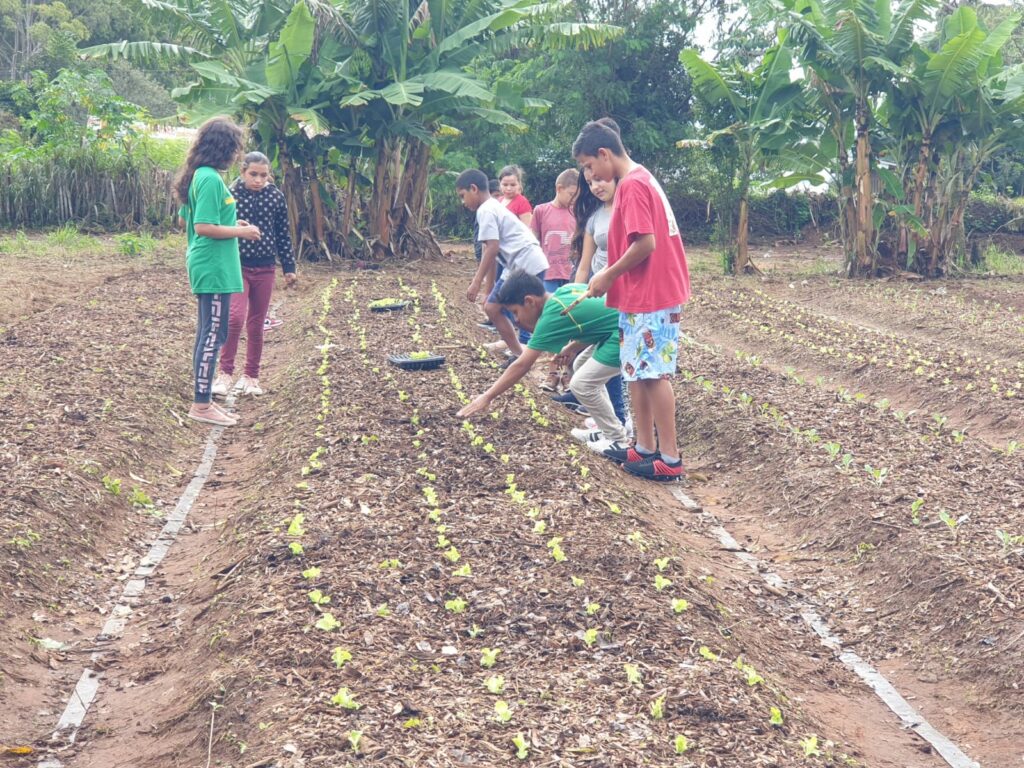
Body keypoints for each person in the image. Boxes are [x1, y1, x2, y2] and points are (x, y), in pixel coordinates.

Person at [572, 120, 691, 481]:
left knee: (653, 373)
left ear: (604, 154)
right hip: (640, 294)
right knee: (636, 371)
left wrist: (607, 275)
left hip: (653, 293)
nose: (590, 175)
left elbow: (646, 243)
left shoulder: (634, 186)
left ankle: (669, 457)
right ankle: (643, 446)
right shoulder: (637, 180)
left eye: (590, 166)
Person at [458, 271, 629, 452]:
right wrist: (571, 348)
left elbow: (522, 364)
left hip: (625, 333)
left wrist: (487, 396)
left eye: (515, 312)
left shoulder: (552, 316)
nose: (516, 320)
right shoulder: (563, 292)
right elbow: (597, 321)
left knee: (582, 384)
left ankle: (617, 439)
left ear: (530, 301)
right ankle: (606, 429)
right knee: (580, 367)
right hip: (617, 328)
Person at [175, 116, 261, 427]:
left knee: (212, 332)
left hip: (215, 265)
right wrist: (242, 233)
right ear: (224, 147)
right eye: (236, 148)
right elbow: (202, 227)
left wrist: (231, 224)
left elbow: (193, 220)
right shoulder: (209, 178)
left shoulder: (202, 175)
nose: (238, 154)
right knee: (213, 334)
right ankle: (201, 404)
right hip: (212, 266)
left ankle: (206, 401)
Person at [211, 151, 296, 397]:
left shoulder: (275, 197)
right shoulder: (230, 194)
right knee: (235, 318)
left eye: (263, 175)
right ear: (242, 172)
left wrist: (289, 268)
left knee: (257, 324)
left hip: (266, 266)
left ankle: (251, 376)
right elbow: (217, 226)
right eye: (253, 174)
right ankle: (224, 374)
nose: (258, 180)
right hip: (236, 264)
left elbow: (282, 234)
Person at [457, 169, 548, 361]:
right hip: (518, 263)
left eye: (463, 196)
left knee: (528, 315)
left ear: (473, 189)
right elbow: (491, 253)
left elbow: (492, 248)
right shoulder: (490, 207)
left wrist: (476, 282)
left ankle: (540, 352)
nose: (463, 202)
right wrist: (488, 288)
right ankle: (520, 354)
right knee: (493, 308)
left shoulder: (486, 210)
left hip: (527, 262)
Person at [531, 168, 579, 390]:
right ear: (559, 189)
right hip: (548, 274)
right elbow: (533, 241)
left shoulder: (577, 213)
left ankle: (568, 374)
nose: (573, 199)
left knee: (572, 324)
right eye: (571, 193)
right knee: (551, 322)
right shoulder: (541, 211)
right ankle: (552, 373)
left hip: (570, 276)